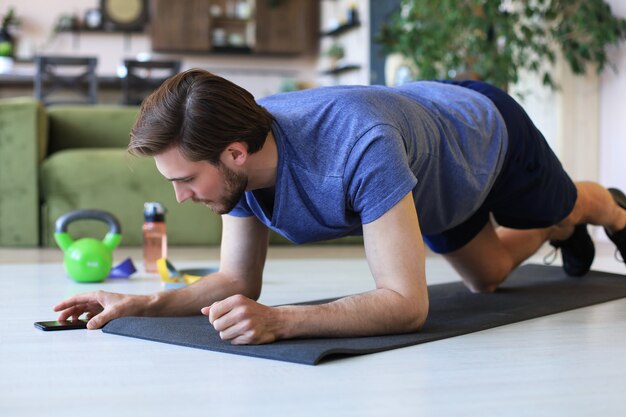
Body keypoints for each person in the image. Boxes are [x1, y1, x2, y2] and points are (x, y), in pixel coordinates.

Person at [54, 69, 626, 345]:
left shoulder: (360, 146)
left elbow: (406, 304)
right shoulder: (237, 157)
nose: (180, 197)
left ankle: (606, 209)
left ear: (234, 153)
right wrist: (140, 302)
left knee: (571, 204)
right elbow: (236, 281)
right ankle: (556, 227)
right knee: (489, 277)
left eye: (186, 180)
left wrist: (282, 320)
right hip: (428, 178)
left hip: (484, 134)